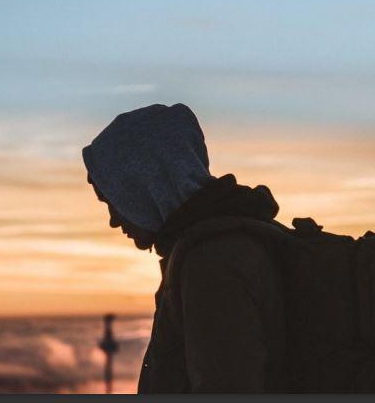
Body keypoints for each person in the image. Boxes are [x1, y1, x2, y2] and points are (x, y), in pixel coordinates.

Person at [82, 103, 288, 393]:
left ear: (144, 186)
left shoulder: (213, 265)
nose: (114, 220)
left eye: (115, 201)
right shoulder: (227, 244)